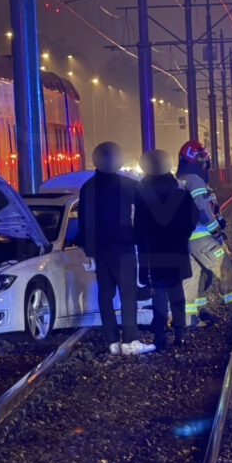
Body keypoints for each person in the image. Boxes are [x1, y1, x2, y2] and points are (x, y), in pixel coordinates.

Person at [78, 142, 155, 356]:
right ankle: (130, 341)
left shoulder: (88, 187)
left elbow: (84, 222)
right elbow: (143, 215)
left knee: (106, 294)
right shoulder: (129, 185)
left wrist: (90, 251)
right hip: (124, 246)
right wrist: (141, 240)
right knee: (128, 293)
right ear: (118, 160)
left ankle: (112, 341)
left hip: (100, 249)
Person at [135, 149, 199, 350]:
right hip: (176, 250)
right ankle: (180, 335)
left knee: (159, 294)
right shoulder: (180, 191)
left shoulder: (143, 192)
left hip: (154, 252)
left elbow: (139, 226)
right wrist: (182, 236)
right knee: (177, 291)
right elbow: (192, 219)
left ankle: (160, 338)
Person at [177, 140, 232, 326]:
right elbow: (202, 207)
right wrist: (215, 230)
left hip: (186, 240)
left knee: (194, 278)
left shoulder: (180, 180)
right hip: (202, 238)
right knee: (227, 268)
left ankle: (190, 318)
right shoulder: (195, 180)